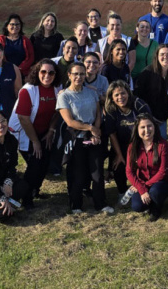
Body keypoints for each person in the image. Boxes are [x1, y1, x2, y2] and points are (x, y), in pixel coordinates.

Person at [57, 62, 111, 215]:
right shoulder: (64, 96)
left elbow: (98, 114)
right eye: (75, 74)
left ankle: (100, 203)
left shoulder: (91, 92)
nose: (79, 77)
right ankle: (76, 205)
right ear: (69, 75)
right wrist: (90, 128)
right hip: (77, 139)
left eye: (82, 74)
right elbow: (70, 121)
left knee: (97, 173)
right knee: (78, 174)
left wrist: (96, 131)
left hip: (93, 138)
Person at [9, 59, 60, 207]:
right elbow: (23, 118)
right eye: (43, 72)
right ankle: (26, 198)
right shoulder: (28, 90)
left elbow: (58, 111)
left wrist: (51, 130)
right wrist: (35, 142)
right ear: (37, 72)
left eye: (51, 72)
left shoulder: (56, 89)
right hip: (24, 132)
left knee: (45, 164)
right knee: (35, 165)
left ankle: (34, 190)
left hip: (43, 131)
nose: (47, 75)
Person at [103, 81, 151, 205]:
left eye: (123, 93)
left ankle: (145, 188)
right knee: (118, 165)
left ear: (128, 93)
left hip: (140, 143)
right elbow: (112, 134)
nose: (120, 97)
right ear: (112, 98)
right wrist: (119, 155)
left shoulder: (139, 105)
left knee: (142, 165)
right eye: (117, 95)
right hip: (121, 144)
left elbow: (148, 128)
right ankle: (122, 192)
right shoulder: (111, 110)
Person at [126, 114, 168, 221]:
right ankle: (150, 201)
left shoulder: (163, 145)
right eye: (142, 127)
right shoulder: (132, 147)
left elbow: (163, 171)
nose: (146, 130)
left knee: (155, 192)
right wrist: (141, 189)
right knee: (137, 206)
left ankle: (156, 210)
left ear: (154, 127)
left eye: (149, 126)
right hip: (142, 183)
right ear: (137, 129)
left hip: (162, 182)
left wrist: (145, 186)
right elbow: (129, 172)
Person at [135, 44, 168, 139]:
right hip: (148, 118)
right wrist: (147, 116)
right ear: (156, 56)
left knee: (162, 143)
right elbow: (138, 96)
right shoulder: (147, 73)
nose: (165, 57)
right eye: (162, 54)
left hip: (163, 118)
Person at [0, 13, 34, 78]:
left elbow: (31, 57)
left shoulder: (26, 40)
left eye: (17, 24)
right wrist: (9, 68)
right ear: (7, 26)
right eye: (12, 24)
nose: (15, 27)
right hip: (4, 73)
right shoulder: (0, 39)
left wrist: (19, 69)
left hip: (21, 74)